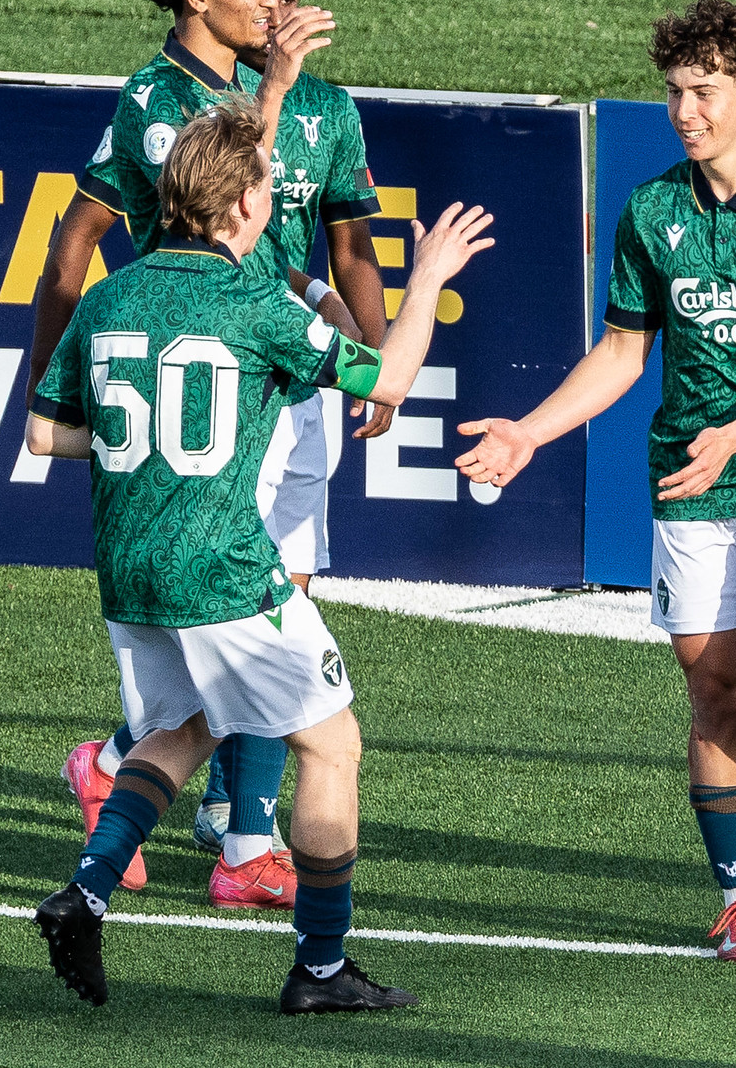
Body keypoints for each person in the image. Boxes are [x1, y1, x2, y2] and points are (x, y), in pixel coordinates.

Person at [27, 96, 493, 1012]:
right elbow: (387, 376)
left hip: (130, 568)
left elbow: (48, 434)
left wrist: (150, 442)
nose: (276, 204)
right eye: (270, 191)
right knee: (332, 743)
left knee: (190, 725)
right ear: (241, 206)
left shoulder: (114, 294)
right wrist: (427, 275)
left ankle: (86, 888)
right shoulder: (254, 303)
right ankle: (320, 968)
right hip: (224, 569)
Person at [454, 0, 736, 962]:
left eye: (705, 91)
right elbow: (623, 353)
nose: (685, 110)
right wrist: (531, 433)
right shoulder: (651, 212)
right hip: (690, 480)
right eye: (675, 91)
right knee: (712, 687)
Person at [28, 0, 381, 910]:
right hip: (211, 377)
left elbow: (341, 248)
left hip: (292, 369)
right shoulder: (158, 102)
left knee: (283, 603)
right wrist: (55, 379)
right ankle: (204, 818)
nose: (277, 6)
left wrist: (364, 348)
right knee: (223, 607)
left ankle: (230, 823)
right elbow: (227, 223)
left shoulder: (324, 104)